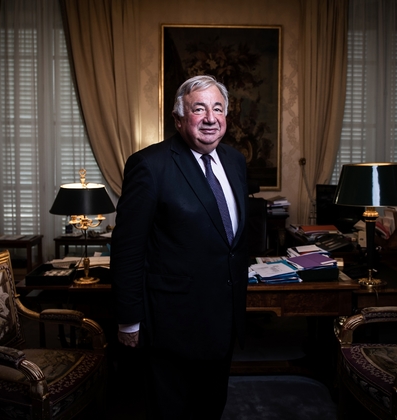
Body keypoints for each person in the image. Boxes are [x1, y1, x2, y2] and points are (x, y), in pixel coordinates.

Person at [110, 74, 249, 419]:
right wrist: (129, 321)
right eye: (198, 109)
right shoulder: (149, 165)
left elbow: (228, 241)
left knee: (211, 407)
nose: (210, 118)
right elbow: (127, 249)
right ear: (178, 118)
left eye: (218, 108)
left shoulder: (234, 161)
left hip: (223, 319)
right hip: (171, 324)